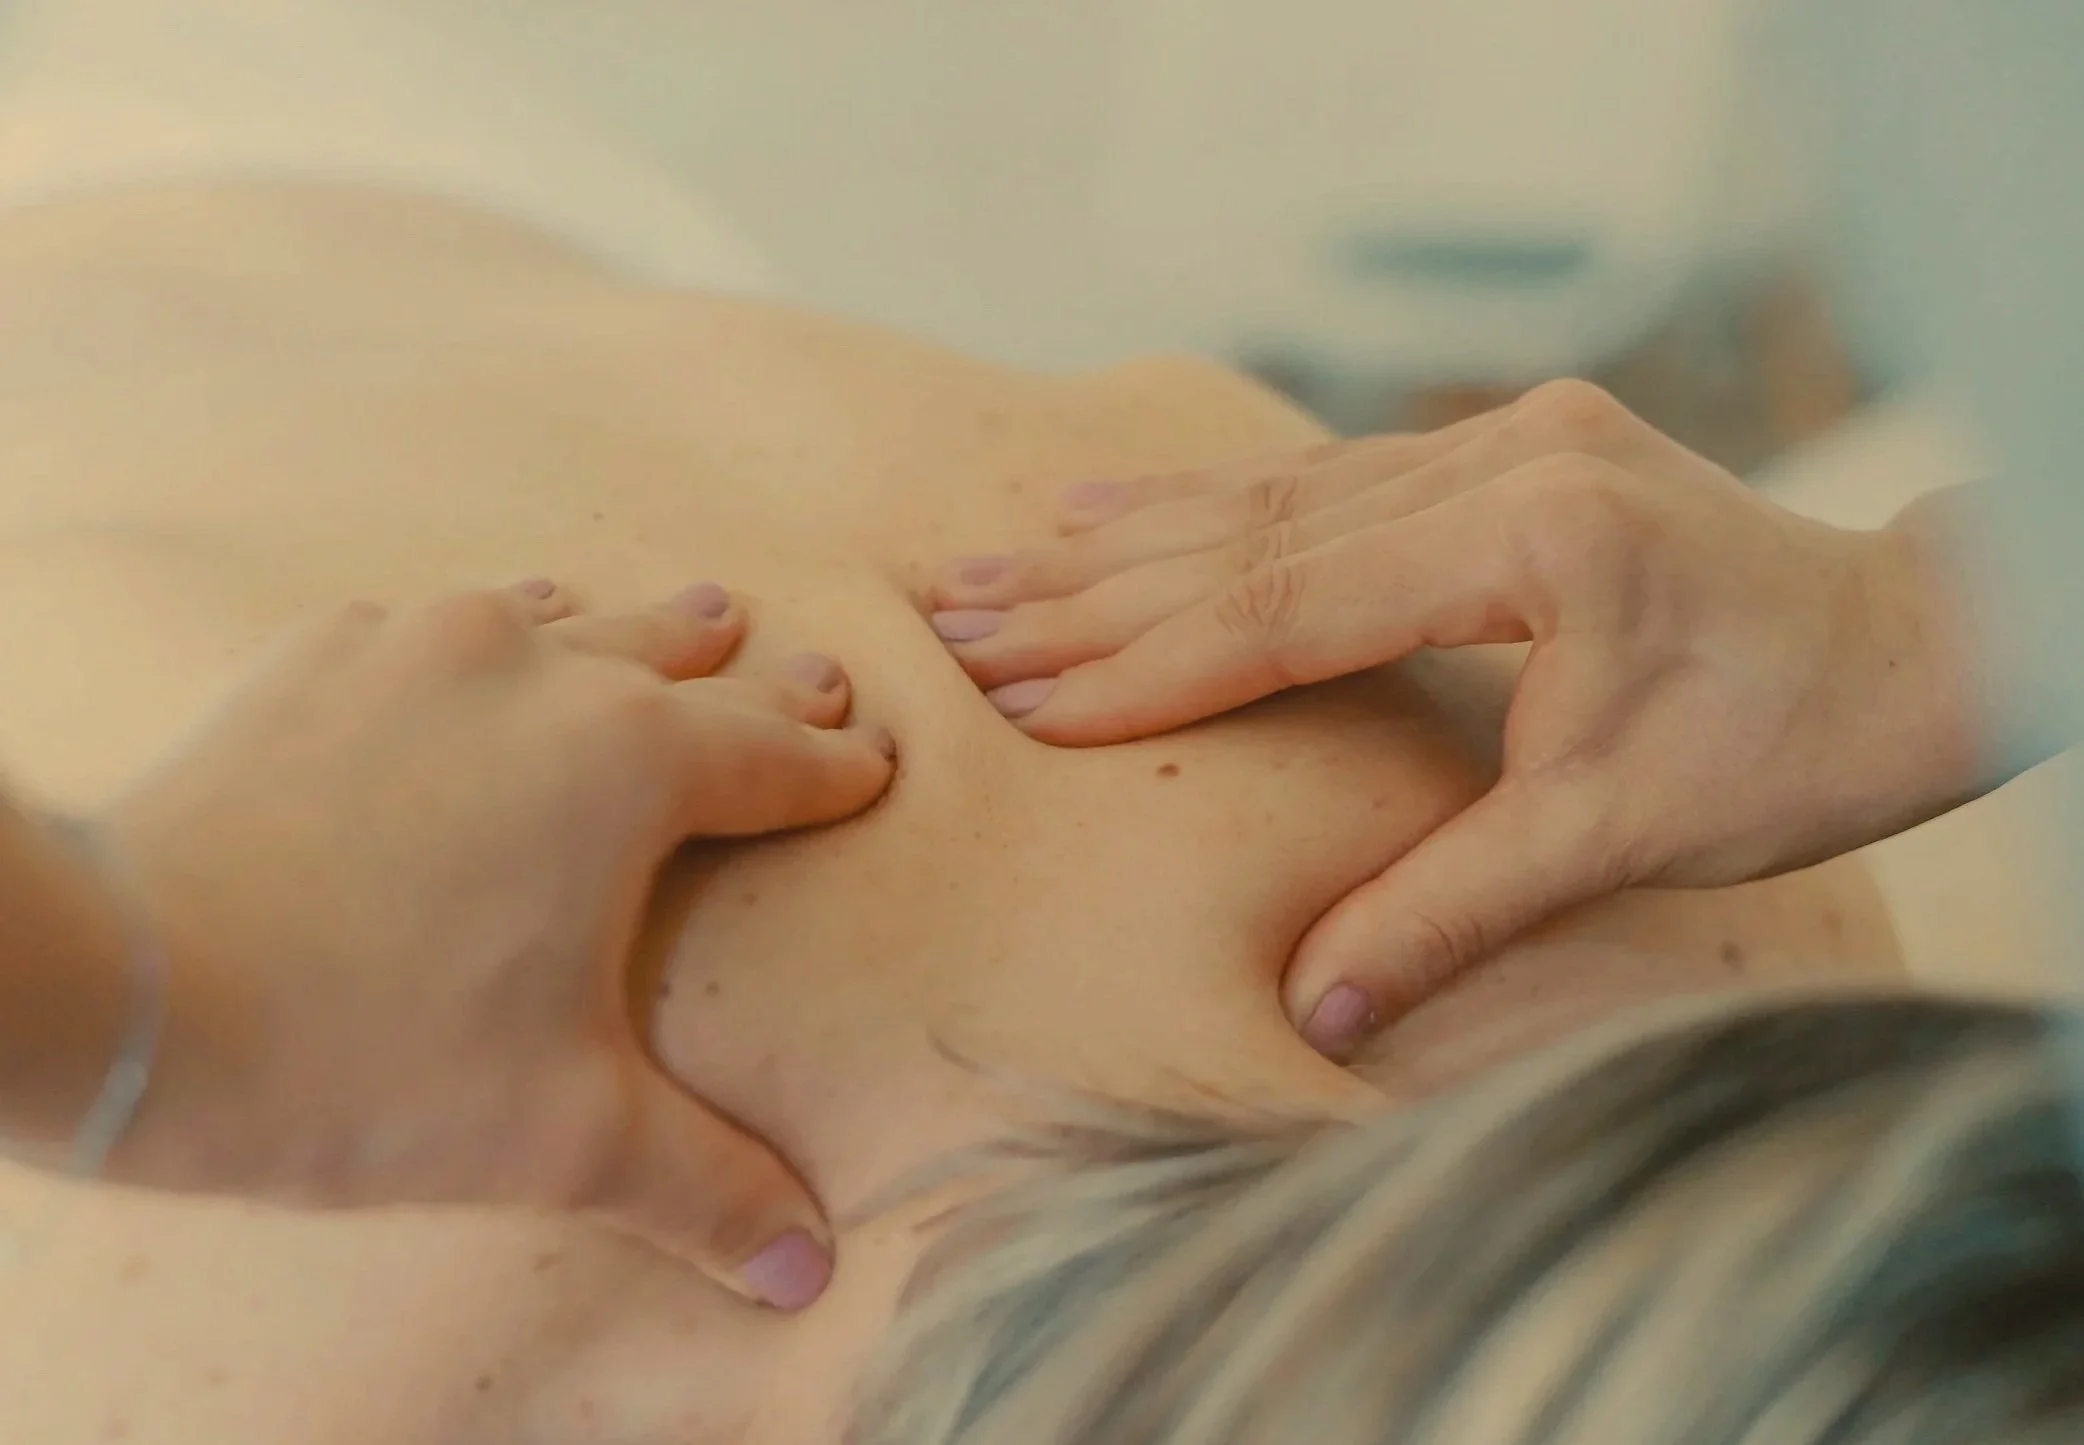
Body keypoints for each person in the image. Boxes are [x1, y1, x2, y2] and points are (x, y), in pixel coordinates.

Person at [0, 178, 1900, 1445]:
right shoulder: (215, 1321)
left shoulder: (1769, 930)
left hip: (384, 231)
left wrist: (1933, 614)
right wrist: (136, 987)